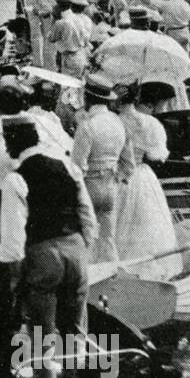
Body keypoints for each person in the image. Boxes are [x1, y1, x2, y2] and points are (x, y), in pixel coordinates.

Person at [0, 114, 98, 378]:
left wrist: (16, 279)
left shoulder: (15, 179)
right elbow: (87, 217)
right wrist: (82, 248)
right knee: (75, 327)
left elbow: (13, 239)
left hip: (43, 253)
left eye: (7, 142)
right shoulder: (68, 167)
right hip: (75, 249)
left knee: (42, 330)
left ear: (12, 142)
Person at [70, 74, 133, 263]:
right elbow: (129, 164)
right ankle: (112, 272)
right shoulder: (118, 123)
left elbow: (77, 166)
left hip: (89, 184)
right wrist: (116, 176)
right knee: (107, 237)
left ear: (88, 98)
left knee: (85, 234)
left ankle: (87, 277)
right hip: (110, 184)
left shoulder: (87, 126)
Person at [113, 83, 177, 267]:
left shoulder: (112, 120)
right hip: (140, 173)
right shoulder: (149, 122)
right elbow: (158, 155)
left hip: (115, 174)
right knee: (145, 222)